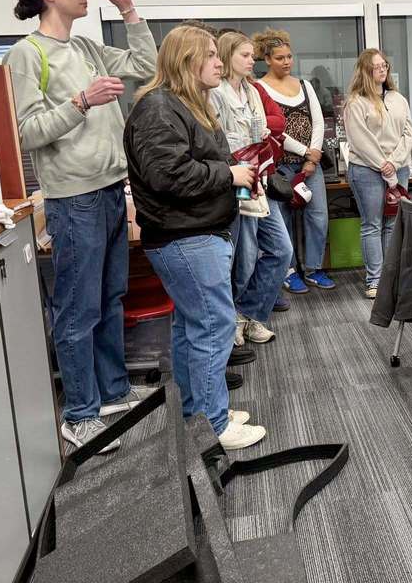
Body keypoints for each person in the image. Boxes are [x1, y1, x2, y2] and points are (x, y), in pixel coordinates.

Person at [5, 0, 155, 452]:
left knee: (110, 299)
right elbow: (25, 134)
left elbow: (146, 63)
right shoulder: (28, 55)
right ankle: (80, 413)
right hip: (74, 201)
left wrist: (127, 7)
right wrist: (80, 102)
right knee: (77, 309)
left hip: (112, 190)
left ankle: (113, 393)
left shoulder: (89, 49)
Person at [123, 25, 266, 450]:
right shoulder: (159, 109)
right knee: (213, 326)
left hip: (198, 232)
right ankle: (212, 426)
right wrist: (229, 174)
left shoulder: (186, 105)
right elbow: (168, 176)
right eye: (211, 54)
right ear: (187, 61)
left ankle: (198, 413)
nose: (219, 61)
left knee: (192, 329)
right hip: (186, 237)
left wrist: (237, 178)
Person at [211, 31, 291, 345]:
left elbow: (270, 126)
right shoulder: (215, 92)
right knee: (240, 261)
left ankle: (250, 313)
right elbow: (219, 141)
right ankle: (230, 320)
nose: (251, 60)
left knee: (282, 251)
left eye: (251, 55)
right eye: (245, 55)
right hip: (234, 186)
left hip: (260, 182)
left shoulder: (253, 90)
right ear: (227, 55)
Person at [252, 28, 336, 295]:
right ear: (267, 59)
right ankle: (288, 271)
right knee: (283, 222)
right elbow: (273, 129)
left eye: (289, 56)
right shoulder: (259, 88)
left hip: (311, 165)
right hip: (280, 166)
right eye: (280, 58)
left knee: (319, 216)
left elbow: (319, 122)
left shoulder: (305, 85)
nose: (287, 62)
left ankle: (313, 268)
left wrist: (313, 156)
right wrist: (305, 152)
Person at [343, 49, 412, 299]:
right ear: (365, 70)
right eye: (377, 66)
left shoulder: (398, 98)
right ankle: (375, 280)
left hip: (398, 167)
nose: (383, 69)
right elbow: (360, 139)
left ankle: (391, 278)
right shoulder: (355, 102)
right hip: (366, 169)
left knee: (393, 224)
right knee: (372, 224)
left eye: (385, 65)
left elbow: (408, 132)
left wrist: (394, 162)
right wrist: (383, 164)